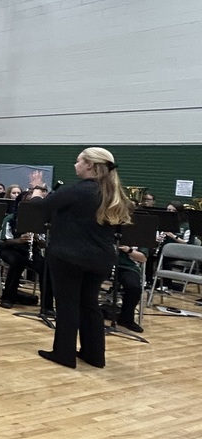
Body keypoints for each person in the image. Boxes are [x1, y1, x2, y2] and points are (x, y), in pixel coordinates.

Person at [38, 147, 134, 369]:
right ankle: (94, 355)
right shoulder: (113, 193)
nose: (75, 165)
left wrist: (35, 193)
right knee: (90, 305)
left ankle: (64, 353)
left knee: (68, 305)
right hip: (100, 258)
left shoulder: (80, 190)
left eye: (78, 161)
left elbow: (44, 207)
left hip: (69, 256)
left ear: (90, 165)